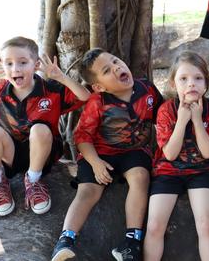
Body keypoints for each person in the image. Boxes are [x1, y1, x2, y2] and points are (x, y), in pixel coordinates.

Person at [51, 49, 164, 261]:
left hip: (134, 151)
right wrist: (95, 163)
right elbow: (82, 137)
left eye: (116, 61)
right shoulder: (98, 102)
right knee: (88, 191)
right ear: (99, 87)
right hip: (99, 153)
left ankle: (131, 242)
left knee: (140, 178)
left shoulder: (147, 89)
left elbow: (163, 115)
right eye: (107, 70)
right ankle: (65, 240)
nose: (117, 67)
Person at [0, 37, 89, 216]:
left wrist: (61, 77)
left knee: (40, 129)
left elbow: (84, 97)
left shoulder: (51, 90)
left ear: (36, 64)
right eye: (8, 63)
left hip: (43, 154)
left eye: (23, 62)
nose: (15, 69)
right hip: (11, 156)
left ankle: (33, 181)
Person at [144, 52, 209, 261]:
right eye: (183, 79)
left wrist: (196, 120)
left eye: (198, 78)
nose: (191, 84)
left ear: (206, 83)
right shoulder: (166, 110)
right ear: (173, 83)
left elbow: (207, 152)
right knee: (154, 226)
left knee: (206, 224)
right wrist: (181, 120)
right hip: (168, 171)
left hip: (202, 171)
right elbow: (169, 154)